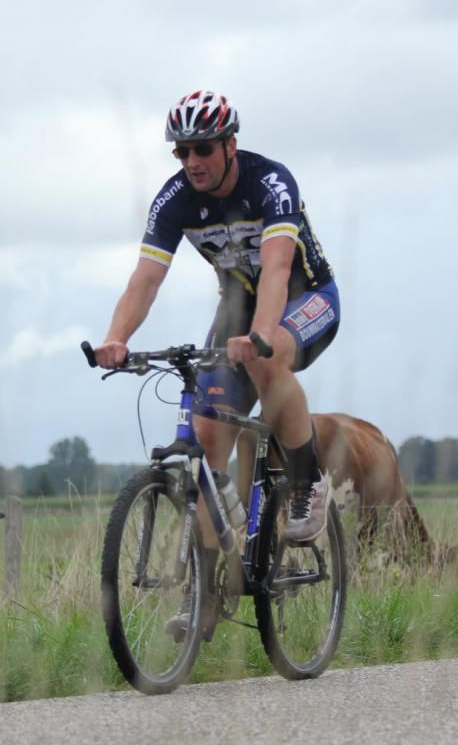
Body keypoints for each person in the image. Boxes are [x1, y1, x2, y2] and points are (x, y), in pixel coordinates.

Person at [93, 90, 340, 633]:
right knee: (205, 441)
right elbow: (146, 279)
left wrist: (260, 334)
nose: (191, 162)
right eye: (180, 152)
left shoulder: (269, 183)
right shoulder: (176, 198)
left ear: (230, 144)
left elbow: (277, 271)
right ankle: (209, 594)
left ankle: (306, 483)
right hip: (237, 312)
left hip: (305, 298)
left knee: (267, 363)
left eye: (202, 148)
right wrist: (115, 337)